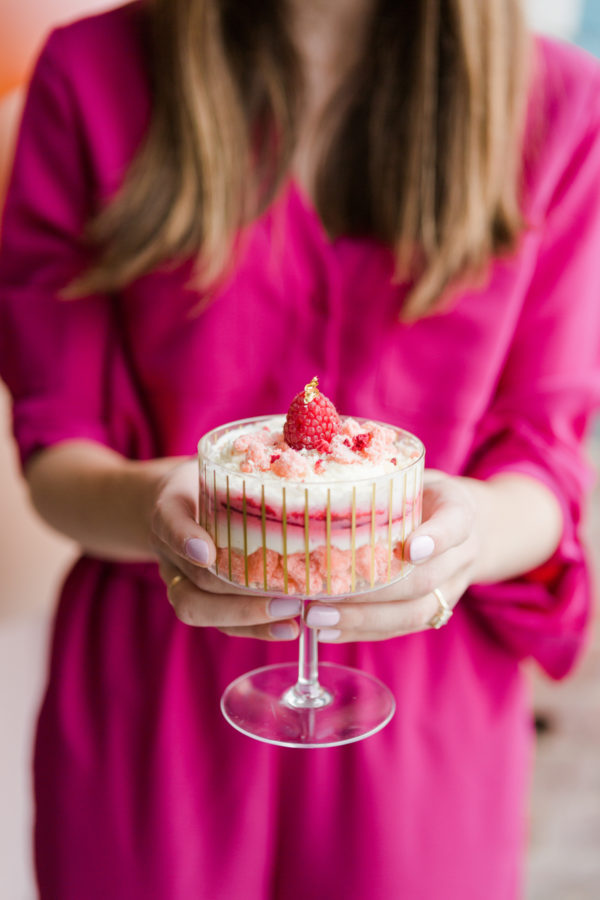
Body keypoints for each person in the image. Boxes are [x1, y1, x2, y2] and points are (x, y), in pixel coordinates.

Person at [1, 0, 599, 897]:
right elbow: (57, 454)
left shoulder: (561, 107)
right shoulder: (88, 75)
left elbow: (546, 463)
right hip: (152, 707)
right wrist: (166, 510)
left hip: (422, 718)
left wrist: (462, 531)